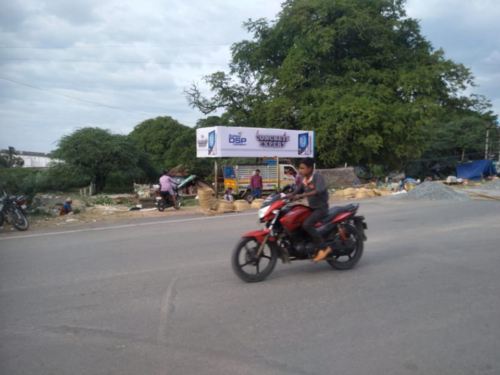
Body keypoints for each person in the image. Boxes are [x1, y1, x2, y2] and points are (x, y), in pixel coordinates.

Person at [288, 158, 331, 262]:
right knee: (297, 222)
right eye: (300, 168)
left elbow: (318, 191)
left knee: (307, 224)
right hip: (312, 208)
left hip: (321, 208)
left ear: (310, 168)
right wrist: (283, 197)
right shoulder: (305, 181)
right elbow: (296, 192)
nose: (300, 170)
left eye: (302, 168)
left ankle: (323, 248)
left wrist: (302, 195)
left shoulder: (317, 177)